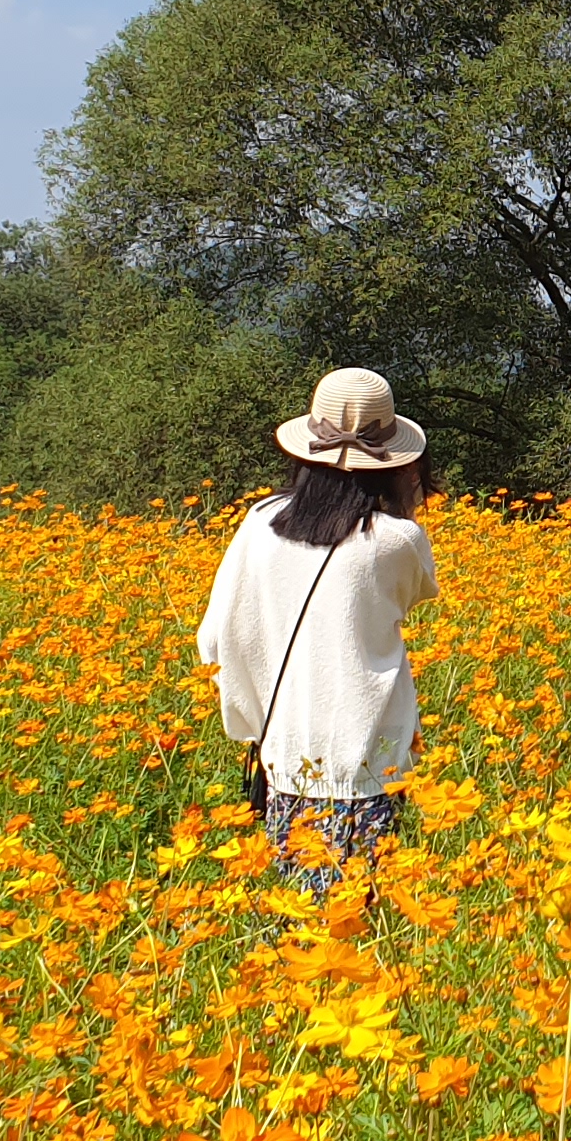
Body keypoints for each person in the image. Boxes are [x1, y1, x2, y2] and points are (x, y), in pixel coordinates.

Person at [199, 366, 440, 894]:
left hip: (283, 759)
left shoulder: (259, 522)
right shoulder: (397, 539)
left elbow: (214, 641)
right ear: (395, 464)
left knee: (298, 913)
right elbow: (415, 593)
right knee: (359, 915)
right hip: (370, 765)